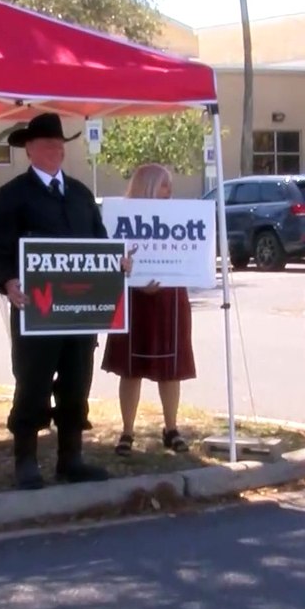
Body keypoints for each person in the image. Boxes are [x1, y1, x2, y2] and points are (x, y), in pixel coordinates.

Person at [0, 112, 134, 491]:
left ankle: (71, 458)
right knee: (32, 381)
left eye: (59, 143)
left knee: (76, 381)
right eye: (46, 143)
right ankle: (26, 459)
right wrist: (8, 280)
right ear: (29, 150)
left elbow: (99, 242)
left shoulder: (81, 195)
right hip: (36, 309)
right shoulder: (12, 196)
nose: (54, 149)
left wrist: (117, 263)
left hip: (79, 313)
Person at [101, 164, 196, 456]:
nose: (170, 191)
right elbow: (111, 259)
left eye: (170, 185)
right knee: (130, 370)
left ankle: (171, 428)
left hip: (171, 297)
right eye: (165, 185)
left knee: (171, 370)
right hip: (133, 298)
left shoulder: (179, 215)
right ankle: (127, 432)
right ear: (149, 185)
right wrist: (136, 282)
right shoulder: (121, 216)